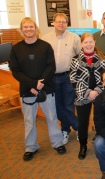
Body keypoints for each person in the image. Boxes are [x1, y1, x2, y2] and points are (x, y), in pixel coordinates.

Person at [9, 17, 66, 161]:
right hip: (27, 90)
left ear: (36, 28)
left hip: (46, 88)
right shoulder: (16, 49)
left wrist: (40, 84)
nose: (29, 29)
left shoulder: (45, 46)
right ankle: (31, 147)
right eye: (25, 27)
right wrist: (33, 84)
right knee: (29, 120)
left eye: (31, 27)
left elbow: (50, 67)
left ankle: (57, 142)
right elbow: (15, 71)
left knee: (52, 117)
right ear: (22, 30)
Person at [70, 33, 105, 160]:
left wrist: (97, 91)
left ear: (94, 42)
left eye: (90, 42)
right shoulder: (75, 60)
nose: (88, 44)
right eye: (85, 42)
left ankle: (101, 142)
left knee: (100, 119)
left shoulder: (102, 59)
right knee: (82, 122)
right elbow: (73, 79)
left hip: (100, 95)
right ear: (81, 44)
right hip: (82, 95)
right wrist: (88, 92)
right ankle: (83, 145)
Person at [42, 13, 81, 145]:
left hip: (68, 76)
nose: (61, 24)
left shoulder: (74, 38)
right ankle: (78, 126)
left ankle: (65, 130)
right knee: (57, 106)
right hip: (52, 77)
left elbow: (80, 56)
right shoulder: (45, 39)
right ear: (53, 22)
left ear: (67, 23)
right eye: (58, 22)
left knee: (69, 105)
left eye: (64, 22)